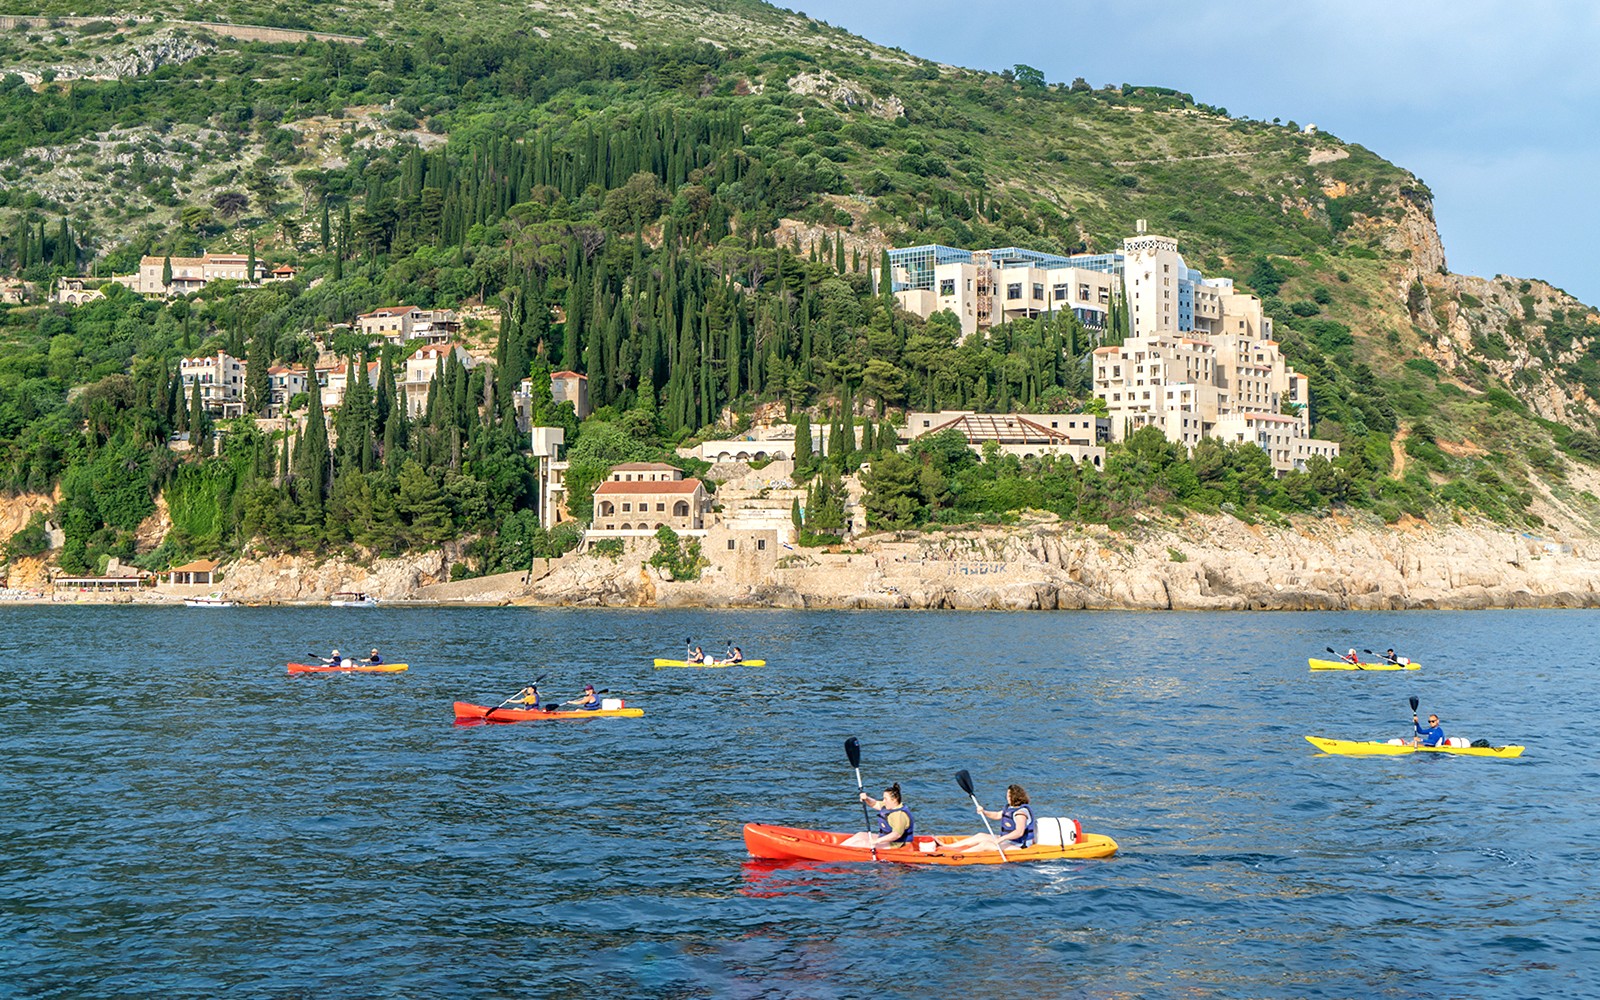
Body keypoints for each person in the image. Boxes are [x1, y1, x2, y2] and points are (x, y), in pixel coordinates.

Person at [946, 784, 1037, 853]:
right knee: (981, 836)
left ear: (1013, 797)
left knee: (985, 844)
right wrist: (984, 812)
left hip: (1019, 845)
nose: (1007, 797)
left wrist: (1001, 839)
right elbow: (997, 815)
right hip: (1009, 841)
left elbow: (1019, 832)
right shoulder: (1011, 808)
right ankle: (948, 847)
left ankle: (961, 854)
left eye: (1008, 795)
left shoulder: (1020, 813)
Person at [841, 784, 914, 849]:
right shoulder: (889, 806)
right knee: (859, 835)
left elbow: (896, 835)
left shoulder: (899, 815)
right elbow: (875, 804)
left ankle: (841, 851)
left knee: (860, 843)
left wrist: (877, 841)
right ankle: (840, 847)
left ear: (894, 800)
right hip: (887, 839)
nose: (883, 801)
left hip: (897, 844)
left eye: (885, 799)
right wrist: (866, 798)